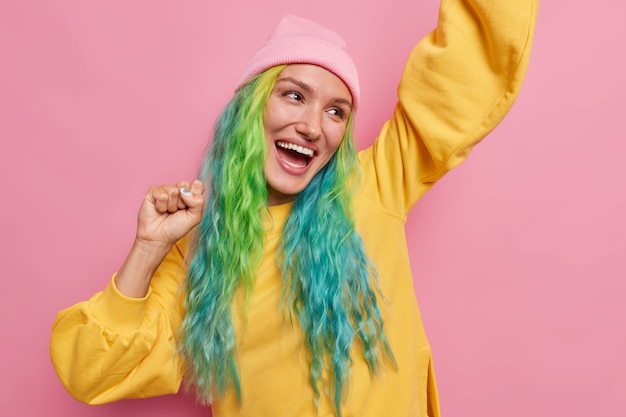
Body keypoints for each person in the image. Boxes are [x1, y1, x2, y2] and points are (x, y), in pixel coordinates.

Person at [50, 1, 538, 416]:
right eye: (293, 95)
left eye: (335, 111)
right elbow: (89, 368)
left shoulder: (373, 185)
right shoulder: (197, 252)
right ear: (250, 109)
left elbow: (470, 72)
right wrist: (148, 247)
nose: (311, 126)